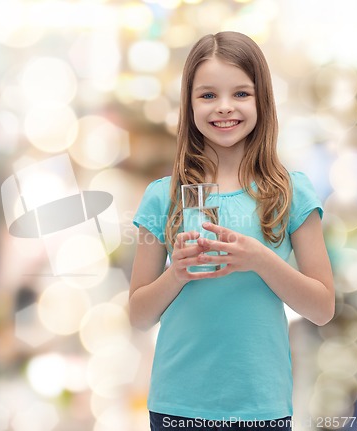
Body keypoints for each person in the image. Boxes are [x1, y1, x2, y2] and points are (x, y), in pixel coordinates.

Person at [129, 31, 334, 431]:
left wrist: (259, 259)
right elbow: (138, 315)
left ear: (263, 101)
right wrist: (178, 272)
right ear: (189, 104)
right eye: (207, 95)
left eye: (241, 94)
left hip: (261, 406)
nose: (224, 108)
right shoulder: (162, 197)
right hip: (177, 406)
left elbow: (322, 309)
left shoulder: (290, 193)